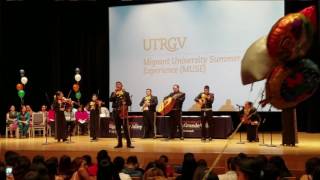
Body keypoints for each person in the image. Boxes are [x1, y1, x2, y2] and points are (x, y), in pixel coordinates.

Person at [110, 81, 134, 148]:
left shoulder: (125, 93)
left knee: (125, 128)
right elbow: (111, 100)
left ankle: (128, 144)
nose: (117, 85)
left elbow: (130, 103)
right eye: (116, 84)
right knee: (118, 129)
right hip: (115, 112)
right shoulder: (113, 93)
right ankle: (119, 143)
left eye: (119, 84)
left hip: (123, 112)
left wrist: (125, 101)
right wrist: (115, 93)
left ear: (122, 86)